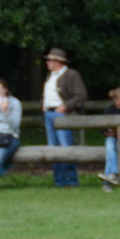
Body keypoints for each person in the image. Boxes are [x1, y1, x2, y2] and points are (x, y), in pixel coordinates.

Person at [41, 47, 88, 186]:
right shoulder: (50, 76)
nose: (47, 62)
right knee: (53, 147)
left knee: (65, 147)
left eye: (49, 60)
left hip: (63, 114)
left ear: (57, 61)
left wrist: (65, 106)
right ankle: (59, 180)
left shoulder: (72, 75)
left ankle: (71, 179)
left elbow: (81, 95)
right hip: (49, 113)